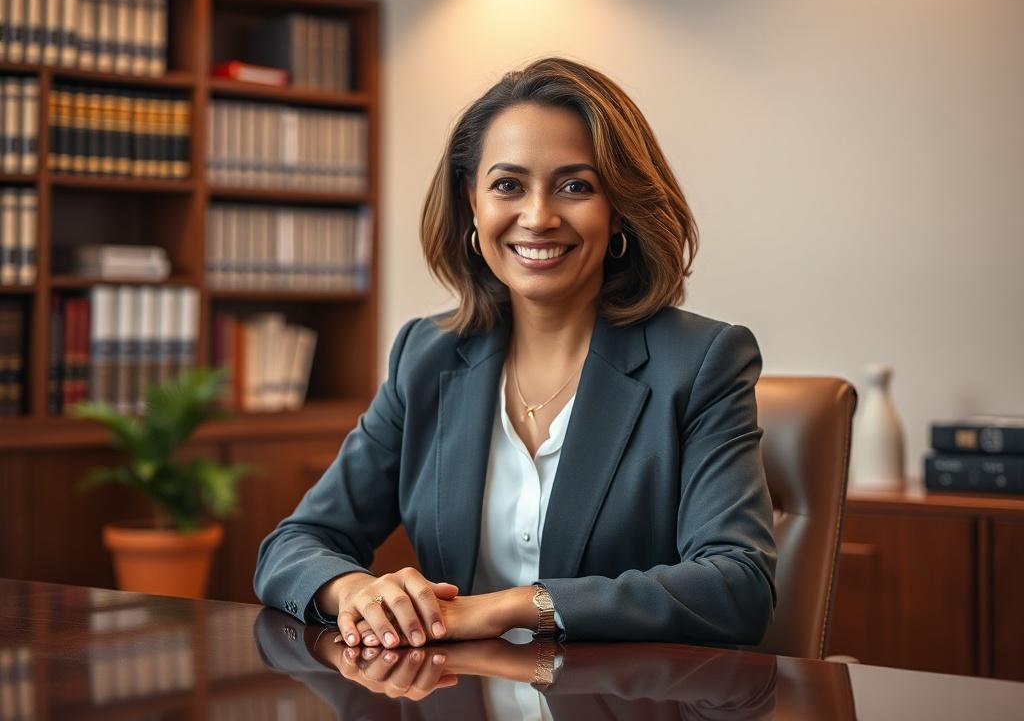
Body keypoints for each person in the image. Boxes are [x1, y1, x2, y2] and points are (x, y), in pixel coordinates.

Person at [254, 57, 776, 651]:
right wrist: (353, 591)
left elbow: (737, 586)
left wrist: (514, 608)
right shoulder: (426, 357)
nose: (538, 217)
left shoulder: (702, 361)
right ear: (471, 202)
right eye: (508, 185)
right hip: (456, 696)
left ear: (619, 209)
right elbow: (295, 544)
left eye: (576, 186)